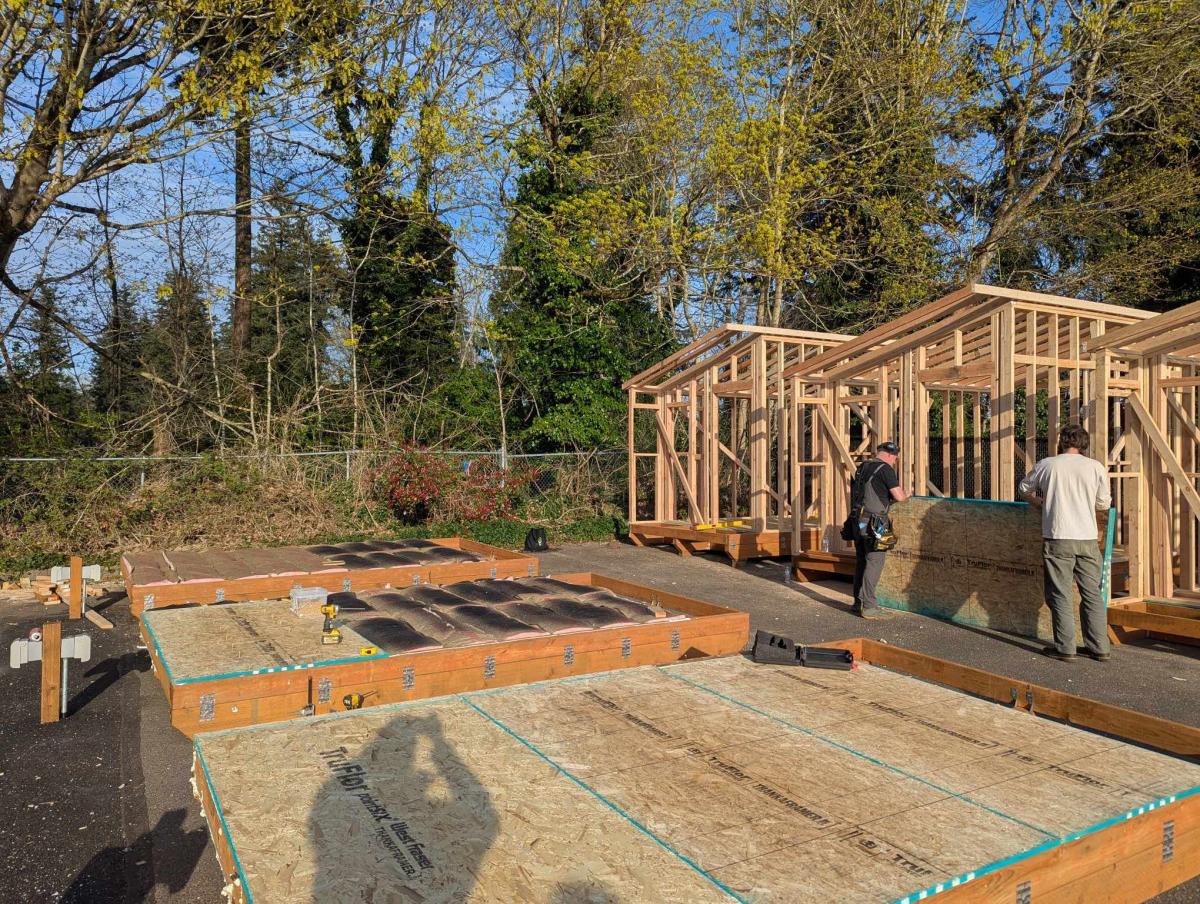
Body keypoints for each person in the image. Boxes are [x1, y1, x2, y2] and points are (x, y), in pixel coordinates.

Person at [1018, 424, 1112, 662]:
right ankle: (1099, 647)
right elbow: (1103, 504)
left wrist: (1041, 503)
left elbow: (1024, 489)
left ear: (1061, 442)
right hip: (1087, 538)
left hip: (1058, 536)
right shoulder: (1096, 467)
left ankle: (1066, 648)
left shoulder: (1047, 465)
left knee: (1060, 594)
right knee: (1092, 593)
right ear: (1084, 444)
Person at [850, 441, 909, 619]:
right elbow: (899, 497)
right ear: (891, 455)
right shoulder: (885, 470)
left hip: (858, 521)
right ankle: (869, 607)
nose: (894, 461)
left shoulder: (862, 467)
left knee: (861, 562)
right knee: (875, 562)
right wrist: (906, 494)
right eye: (895, 458)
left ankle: (858, 603)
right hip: (875, 524)